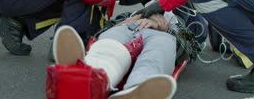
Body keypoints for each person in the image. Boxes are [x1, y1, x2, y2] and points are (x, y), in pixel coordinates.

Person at [48, 11, 183, 99]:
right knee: (108, 47)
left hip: (163, 34)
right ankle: (88, 74)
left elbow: (189, 46)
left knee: (155, 54)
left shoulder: (185, 15)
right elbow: (109, 26)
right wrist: (135, 18)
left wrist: (165, 27)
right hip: (128, 26)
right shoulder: (135, 11)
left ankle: (137, 87)